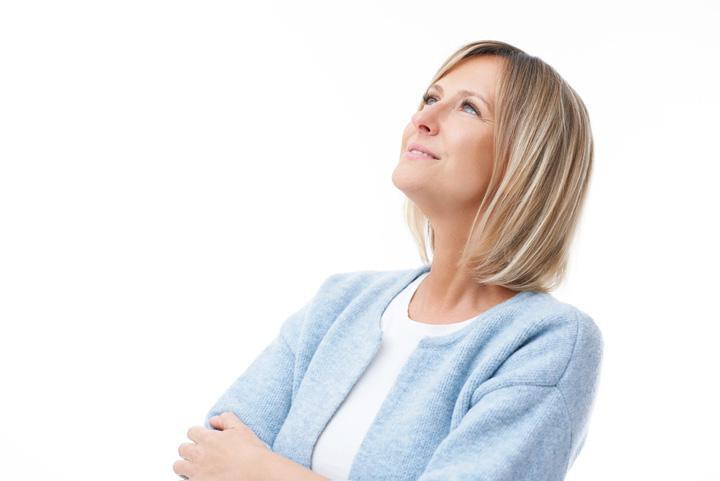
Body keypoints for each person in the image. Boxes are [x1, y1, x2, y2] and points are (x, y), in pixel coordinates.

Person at [173, 39, 603, 481]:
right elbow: (211, 454)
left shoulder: (546, 342)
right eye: (431, 98)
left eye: (469, 108)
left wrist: (262, 470)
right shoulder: (341, 302)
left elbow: (238, 466)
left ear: (527, 159)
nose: (423, 119)